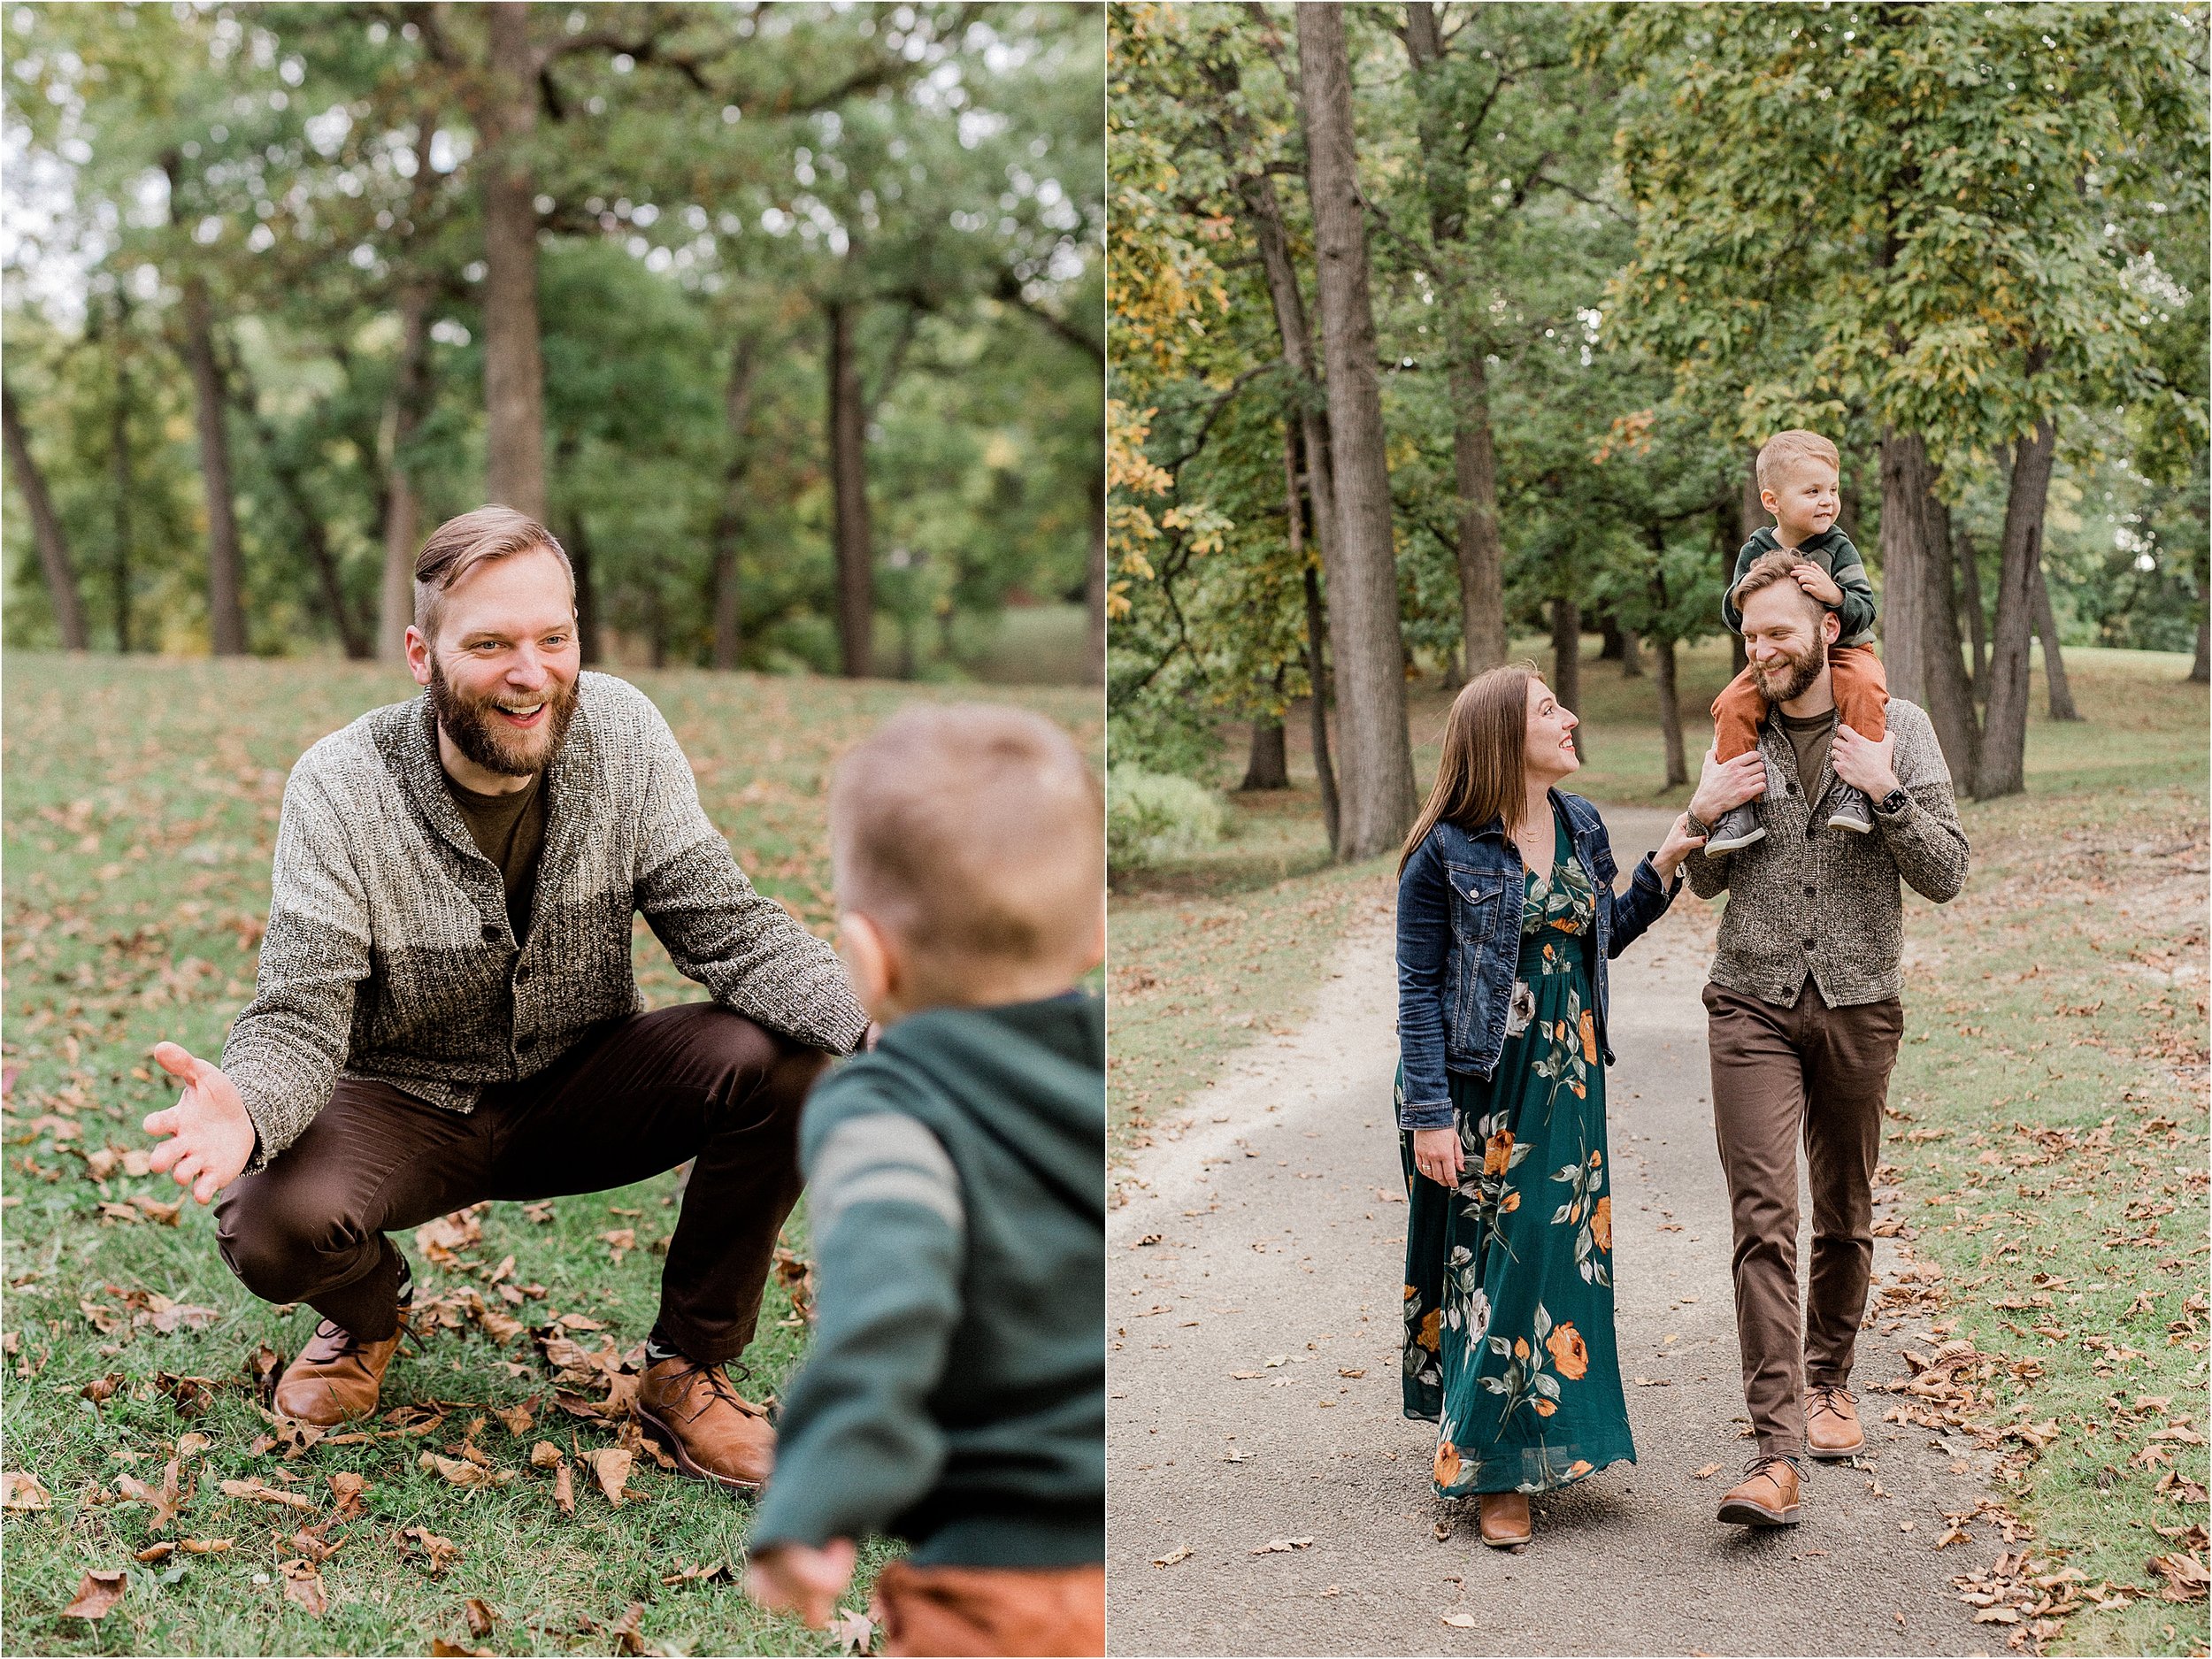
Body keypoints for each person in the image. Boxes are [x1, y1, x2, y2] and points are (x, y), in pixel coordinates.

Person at [141, 506, 868, 1491]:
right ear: (420, 653)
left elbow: (728, 929)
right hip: (407, 1102)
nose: (531, 672)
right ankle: (370, 1314)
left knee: (790, 1057)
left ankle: (685, 1368)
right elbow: (301, 1011)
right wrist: (253, 1107)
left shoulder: (623, 735)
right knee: (270, 1225)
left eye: (553, 638)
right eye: (488, 644)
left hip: (583, 1087)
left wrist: (877, 1025)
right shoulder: (340, 784)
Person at [744, 704, 1105, 1658]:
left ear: (865, 958)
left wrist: (814, 1502)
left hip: (1003, 1585)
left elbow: (888, 1304)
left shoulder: (884, 1108)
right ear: (1096, 933)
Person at [1683, 550, 1970, 1528]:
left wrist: (1886, 792)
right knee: (1763, 1218)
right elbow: (1706, 880)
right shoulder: (1738, 728)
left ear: (1823, 630)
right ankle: (1771, 1454)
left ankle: (1830, 1381)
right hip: (1749, 1002)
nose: (1759, 651)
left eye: (1774, 634)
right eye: (1747, 637)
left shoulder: (1900, 725)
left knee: (1843, 1210)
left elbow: (1947, 873)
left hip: (1857, 1002)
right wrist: (1698, 815)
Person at [1395, 664, 1705, 1549]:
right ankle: (1494, 1473)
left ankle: (1534, 1440)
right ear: (1501, 737)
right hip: (1480, 1085)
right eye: (1546, 710)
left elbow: (1599, 931)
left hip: (1569, 1085)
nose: (1569, 719)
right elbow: (1418, 986)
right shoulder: (1445, 850)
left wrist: (1670, 857)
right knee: (1496, 1266)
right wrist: (1426, 1114)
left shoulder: (1581, 824)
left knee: (1556, 1263)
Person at [1703, 429, 1888, 852]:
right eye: (1812, 491)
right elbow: (1735, 618)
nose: (1827, 501)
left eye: (1833, 490)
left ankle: (1854, 792)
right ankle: (1738, 809)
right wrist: (1742, 592)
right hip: (1774, 659)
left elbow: (1865, 608)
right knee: (1731, 703)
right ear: (1773, 502)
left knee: (1864, 688)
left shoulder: (1838, 547)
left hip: (1846, 651)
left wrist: (1835, 595)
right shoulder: (1755, 550)